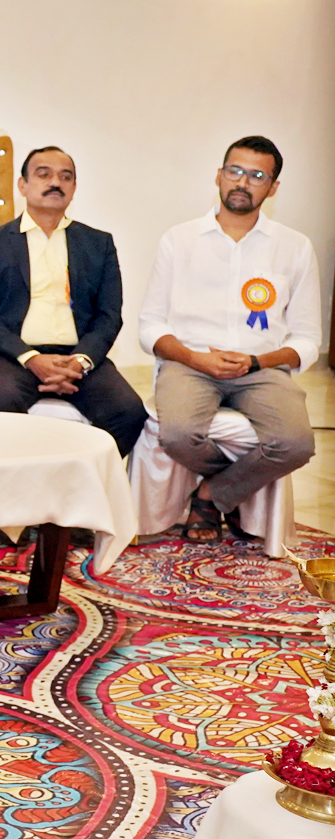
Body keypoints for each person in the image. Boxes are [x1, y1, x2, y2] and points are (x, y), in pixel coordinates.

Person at [138, 135, 319, 542]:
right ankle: (235, 491)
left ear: (273, 187)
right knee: (176, 435)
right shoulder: (178, 239)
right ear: (218, 175)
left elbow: (307, 339)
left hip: (262, 369)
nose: (242, 182)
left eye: (257, 176)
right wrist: (195, 359)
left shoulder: (295, 247)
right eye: (235, 171)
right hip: (189, 364)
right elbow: (150, 326)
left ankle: (210, 495)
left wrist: (257, 362)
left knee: (295, 444)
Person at [0, 147, 146, 455]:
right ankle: (22, 481)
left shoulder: (98, 244)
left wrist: (80, 361)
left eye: (65, 177)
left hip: (77, 357)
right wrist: (31, 358)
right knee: (1, 401)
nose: (55, 182)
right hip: (11, 357)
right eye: (43, 174)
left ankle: (80, 479)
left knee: (129, 412)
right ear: (23, 185)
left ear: (74, 188)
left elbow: (109, 315)